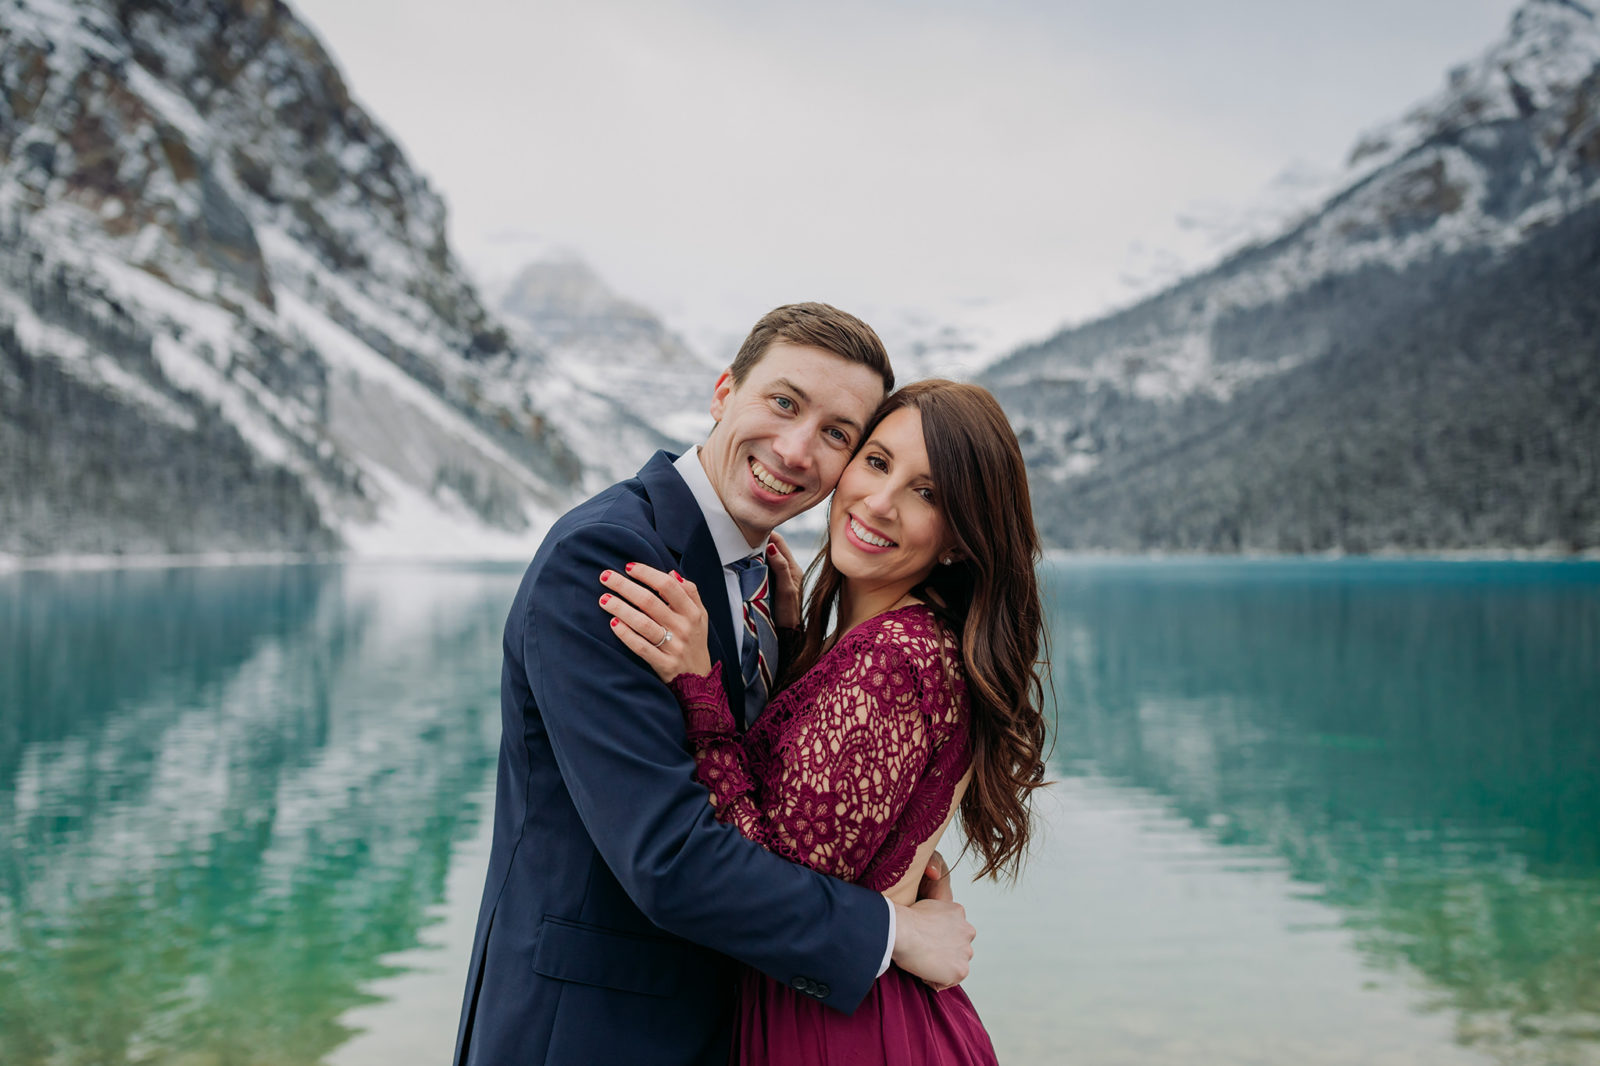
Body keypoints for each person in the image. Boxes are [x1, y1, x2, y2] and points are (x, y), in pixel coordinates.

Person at [453, 305, 979, 1066]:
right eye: (783, 402)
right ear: (724, 391)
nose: (796, 450)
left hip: (713, 1025)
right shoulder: (612, 558)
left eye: (837, 434)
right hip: (590, 1034)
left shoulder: (760, 580)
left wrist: (795, 649)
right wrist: (892, 934)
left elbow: (772, 787)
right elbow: (670, 857)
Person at [599, 379, 1049, 1064]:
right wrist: (789, 642)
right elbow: (815, 804)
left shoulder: (896, 660)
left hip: (843, 1029)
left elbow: (766, 878)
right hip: (850, 1009)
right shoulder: (885, 644)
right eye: (876, 462)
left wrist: (701, 691)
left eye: (927, 495)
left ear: (960, 540)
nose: (880, 500)